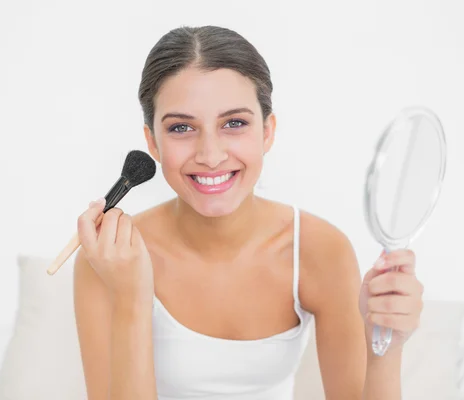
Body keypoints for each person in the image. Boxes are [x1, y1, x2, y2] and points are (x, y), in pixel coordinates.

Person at [73, 25, 424, 400]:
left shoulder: (321, 250)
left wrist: (388, 348)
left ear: (267, 132)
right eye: (181, 127)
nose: (210, 155)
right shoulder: (108, 258)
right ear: (152, 144)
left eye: (234, 123)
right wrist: (131, 299)